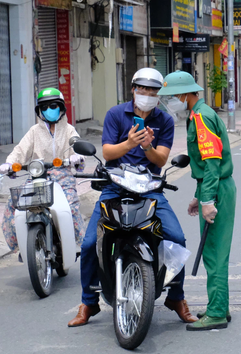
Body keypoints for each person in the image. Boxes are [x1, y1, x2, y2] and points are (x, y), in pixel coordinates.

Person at [68, 68, 198, 327]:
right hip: (114, 187)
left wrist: (147, 146)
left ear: (159, 94)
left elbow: (161, 159)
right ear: (133, 89)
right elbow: (107, 152)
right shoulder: (116, 114)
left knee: (177, 238)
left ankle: (176, 296)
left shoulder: (165, 121)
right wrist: (129, 143)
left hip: (150, 189)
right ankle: (88, 302)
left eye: (153, 91)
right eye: (143, 89)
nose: (147, 95)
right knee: (88, 244)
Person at [157, 70, 237, 331]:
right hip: (212, 187)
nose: (170, 102)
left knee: (213, 253)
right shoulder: (197, 115)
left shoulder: (201, 117)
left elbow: (213, 163)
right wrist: (198, 195)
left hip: (218, 189)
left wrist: (208, 200)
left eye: (171, 96)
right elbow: (205, 166)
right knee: (214, 251)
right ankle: (219, 305)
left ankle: (215, 313)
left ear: (185, 93)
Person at [1, 88, 85, 252]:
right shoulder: (34, 131)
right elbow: (20, 150)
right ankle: (22, 248)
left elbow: (79, 150)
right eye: (44, 107)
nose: (48, 110)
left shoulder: (69, 130)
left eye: (53, 106)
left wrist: (77, 157)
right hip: (37, 177)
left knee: (71, 207)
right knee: (14, 204)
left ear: (61, 108)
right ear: (39, 111)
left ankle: (80, 245)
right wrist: (9, 163)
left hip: (63, 176)